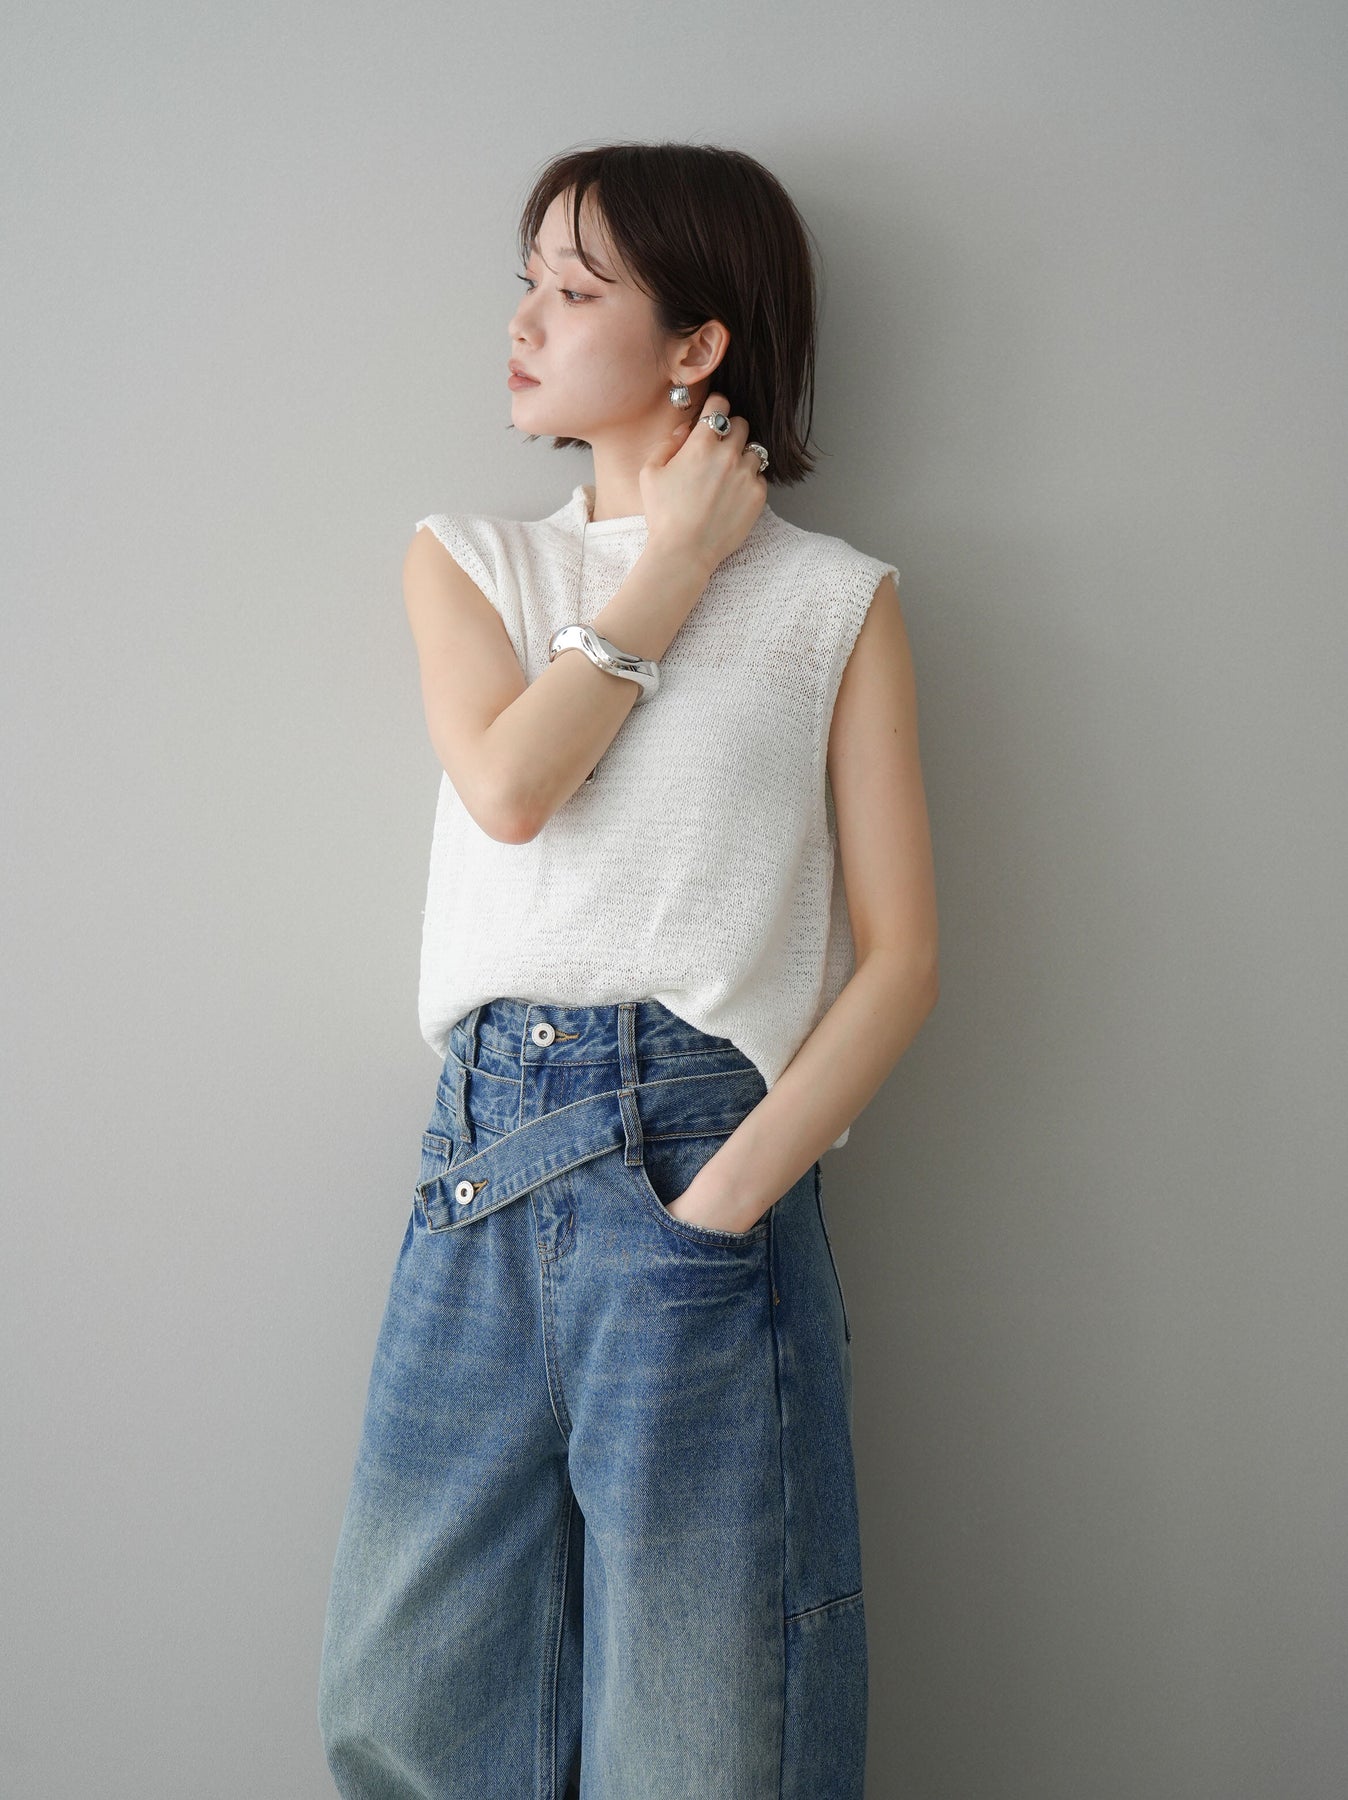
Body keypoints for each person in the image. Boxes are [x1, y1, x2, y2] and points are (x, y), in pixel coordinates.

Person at [318, 140, 939, 1800]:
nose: (525, 320)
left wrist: (719, 1207)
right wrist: (670, 570)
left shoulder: (835, 602)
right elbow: (514, 788)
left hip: (702, 1154)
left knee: (708, 1738)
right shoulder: (472, 561)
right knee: (409, 1713)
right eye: (525, 280)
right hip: (480, 1172)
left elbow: (902, 961)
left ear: (696, 345)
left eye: (577, 289)